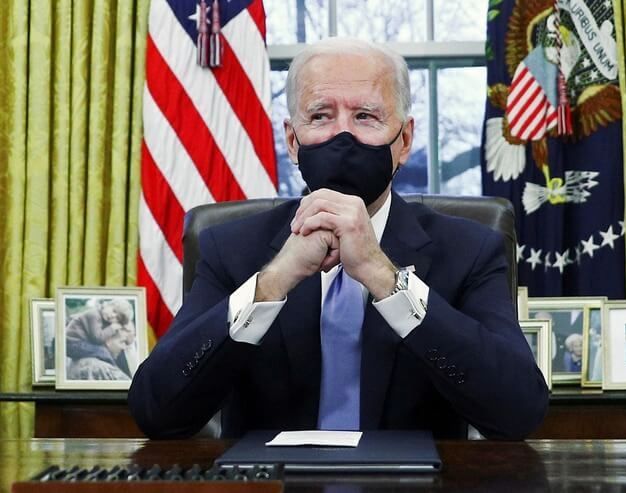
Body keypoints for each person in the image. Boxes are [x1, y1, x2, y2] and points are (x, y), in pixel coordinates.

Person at [128, 37, 548, 440]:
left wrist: (384, 277)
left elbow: (516, 413)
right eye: (320, 116)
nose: (341, 137)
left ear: (404, 141)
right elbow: (158, 412)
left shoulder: (471, 250)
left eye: (365, 116)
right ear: (292, 140)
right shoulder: (231, 249)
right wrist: (272, 283)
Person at [66, 299, 135, 377]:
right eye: (114, 311)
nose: (113, 316)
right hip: (72, 343)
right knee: (102, 351)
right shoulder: (93, 315)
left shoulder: (101, 317)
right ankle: (112, 366)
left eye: (117, 318)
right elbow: (97, 338)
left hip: (77, 344)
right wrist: (112, 328)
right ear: (106, 304)